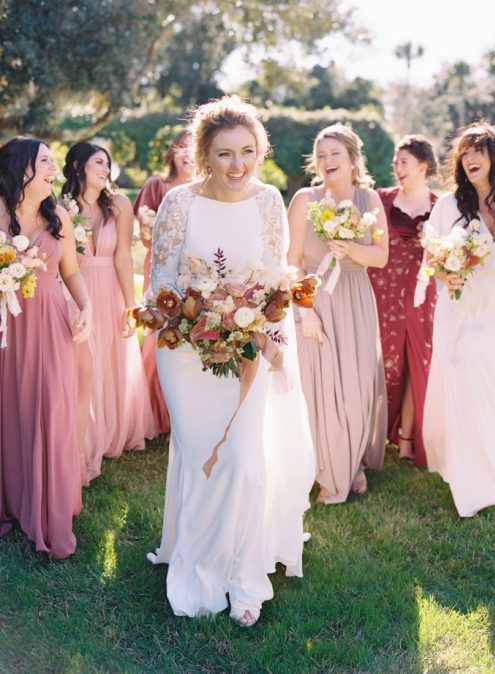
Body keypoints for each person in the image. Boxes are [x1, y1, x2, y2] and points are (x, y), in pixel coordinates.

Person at [146, 96, 316, 626]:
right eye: (224, 154)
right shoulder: (178, 203)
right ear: (204, 155)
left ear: (260, 152)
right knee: (203, 457)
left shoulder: (267, 201)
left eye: (247, 152)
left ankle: (245, 574)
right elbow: (159, 282)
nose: (237, 165)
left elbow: (270, 279)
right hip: (185, 350)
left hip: (248, 346)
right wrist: (203, 319)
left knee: (243, 458)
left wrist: (254, 330)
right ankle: (199, 566)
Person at [0, 137, 92, 559]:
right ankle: (14, 502)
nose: (54, 168)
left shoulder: (58, 217)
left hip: (52, 323)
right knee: (12, 408)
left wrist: (86, 305)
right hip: (9, 326)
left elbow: (70, 272)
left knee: (53, 409)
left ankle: (50, 508)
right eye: (45, 161)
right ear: (22, 169)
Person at [286, 124, 388, 502]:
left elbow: (381, 256)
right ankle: (327, 470)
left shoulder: (369, 200)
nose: (328, 161)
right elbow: (292, 262)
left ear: (352, 159)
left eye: (335, 154)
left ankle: (353, 461)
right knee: (319, 387)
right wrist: (304, 311)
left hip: (356, 297)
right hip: (315, 298)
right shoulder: (303, 199)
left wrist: (350, 249)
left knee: (357, 388)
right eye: (322, 154)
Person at [420, 122, 495, 517]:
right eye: (464, 153)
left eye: (478, 151)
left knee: (493, 391)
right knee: (466, 383)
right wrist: (444, 272)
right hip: (461, 310)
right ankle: (471, 481)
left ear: (493, 156)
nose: (470, 158)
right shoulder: (448, 206)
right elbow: (429, 260)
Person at [62, 141, 148, 484]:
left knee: (111, 358)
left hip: (110, 289)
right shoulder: (61, 207)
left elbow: (124, 257)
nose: (106, 168)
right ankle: (83, 436)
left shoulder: (120, 205)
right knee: (83, 364)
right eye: (99, 162)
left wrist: (130, 305)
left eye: (107, 163)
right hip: (78, 292)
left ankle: (110, 433)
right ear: (79, 165)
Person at [368, 135, 438, 464]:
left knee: (414, 364)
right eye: (395, 163)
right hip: (382, 290)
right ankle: (374, 433)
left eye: (404, 163)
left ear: (423, 166)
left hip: (422, 294)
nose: (397, 169)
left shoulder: (442, 206)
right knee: (383, 363)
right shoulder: (380, 200)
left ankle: (407, 437)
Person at [135, 129, 194, 438]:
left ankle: (186, 415)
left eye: (193, 146)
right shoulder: (156, 186)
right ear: (173, 152)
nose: (187, 152)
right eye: (182, 146)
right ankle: (154, 414)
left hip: (197, 273)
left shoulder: (208, 189)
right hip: (161, 270)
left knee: (192, 334)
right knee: (161, 334)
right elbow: (147, 239)